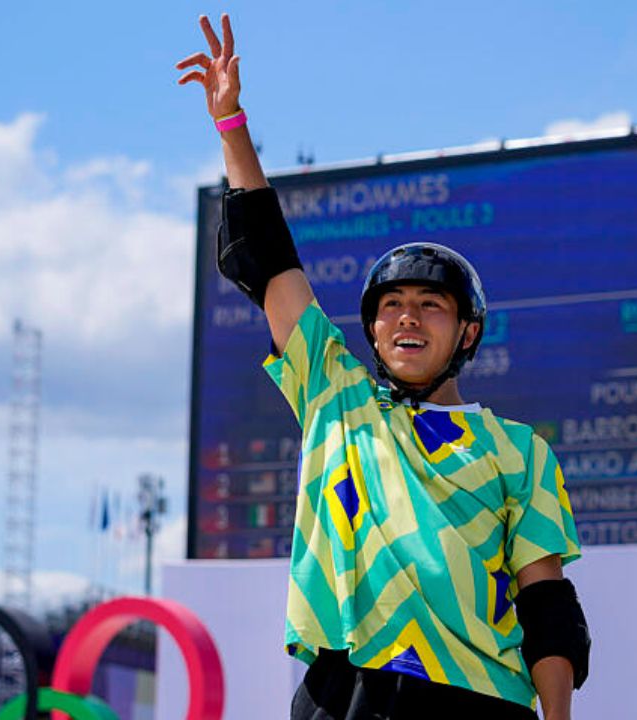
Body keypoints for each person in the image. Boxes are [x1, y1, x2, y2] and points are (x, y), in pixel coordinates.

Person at [178, 15, 590, 720]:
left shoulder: (519, 452)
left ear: (467, 332)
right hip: (346, 693)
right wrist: (231, 125)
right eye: (391, 304)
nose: (406, 316)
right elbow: (267, 259)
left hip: (478, 699)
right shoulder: (334, 393)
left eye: (431, 304)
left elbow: (547, 603)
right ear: (369, 327)